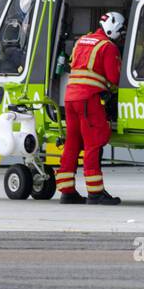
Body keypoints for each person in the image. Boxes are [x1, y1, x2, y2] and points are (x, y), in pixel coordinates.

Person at [57, 11, 125, 205]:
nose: (120, 37)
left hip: (70, 98)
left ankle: (67, 191)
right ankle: (95, 193)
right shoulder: (108, 47)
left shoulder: (82, 41)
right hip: (89, 99)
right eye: (120, 33)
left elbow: (73, 66)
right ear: (113, 29)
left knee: (72, 143)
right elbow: (114, 78)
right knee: (93, 143)